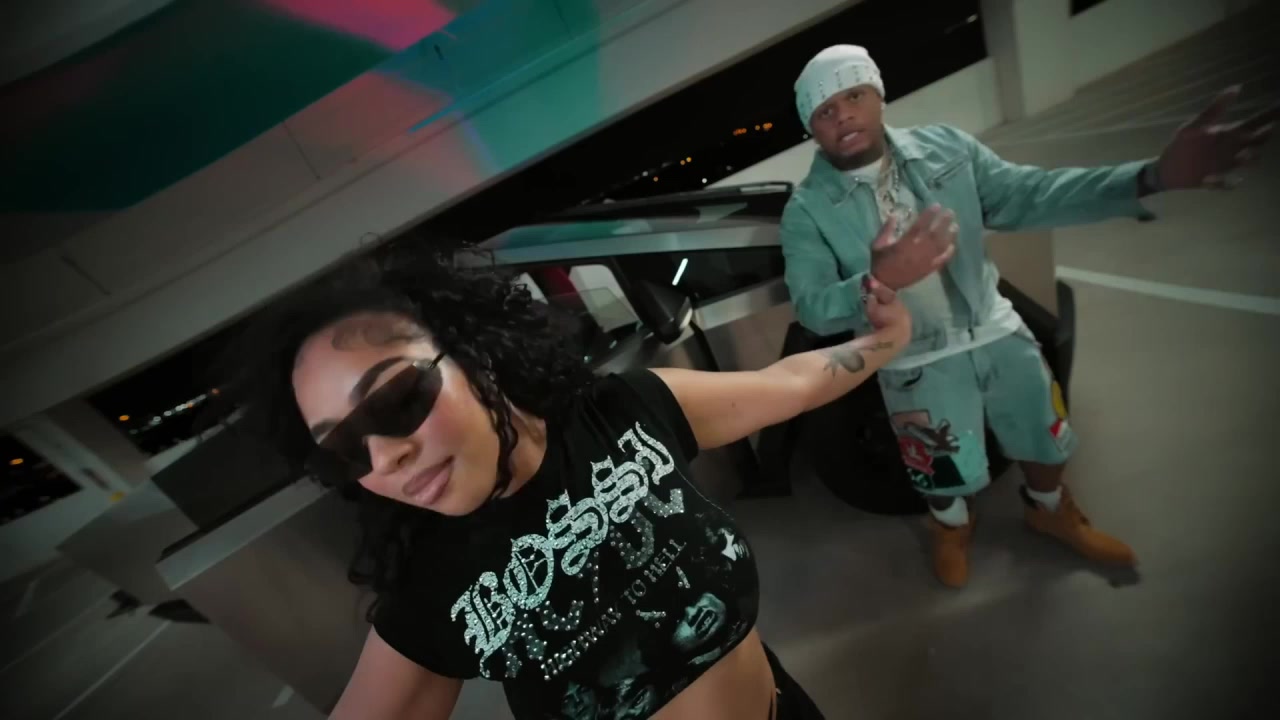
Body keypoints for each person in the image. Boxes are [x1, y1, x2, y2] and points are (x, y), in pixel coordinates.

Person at [220, 244, 919, 720]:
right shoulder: (434, 586)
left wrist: (888, 339)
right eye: (343, 453)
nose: (383, 459)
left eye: (397, 400)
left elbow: (790, 383)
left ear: (473, 354)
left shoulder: (621, 414)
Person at [779, 44, 1276, 588]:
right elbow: (813, 308)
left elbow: (1031, 194)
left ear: (878, 94)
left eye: (853, 95)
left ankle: (1050, 509)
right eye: (824, 111)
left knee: (1046, 434)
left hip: (995, 328)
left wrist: (1150, 176)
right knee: (939, 465)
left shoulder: (948, 149)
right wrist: (877, 282)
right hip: (914, 360)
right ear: (811, 129)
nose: (842, 115)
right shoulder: (807, 210)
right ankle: (951, 525)